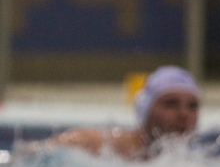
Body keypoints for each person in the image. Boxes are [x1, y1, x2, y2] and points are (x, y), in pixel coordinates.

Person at [25, 66, 200, 160]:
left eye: (193, 106)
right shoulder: (94, 145)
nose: (184, 114)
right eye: (170, 104)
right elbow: (26, 158)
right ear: (145, 109)